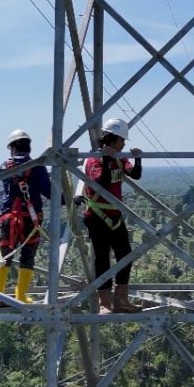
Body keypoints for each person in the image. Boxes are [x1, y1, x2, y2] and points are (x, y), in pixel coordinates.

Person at [80, 118, 144, 314]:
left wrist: (137, 159)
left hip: (115, 216)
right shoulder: (94, 161)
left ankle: (121, 300)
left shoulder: (119, 158)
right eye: (121, 140)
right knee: (102, 259)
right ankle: (105, 303)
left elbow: (135, 174)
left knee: (125, 256)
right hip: (97, 216)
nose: (123, 144)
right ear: (113, 139)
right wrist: (107, 159)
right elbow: (102, 183)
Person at [0, 129, 52, 305]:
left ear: (12, 147)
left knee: (5, 256)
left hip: (9, 217)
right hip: (30, 219)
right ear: (29, 147)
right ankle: (20, 296)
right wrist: (68, 200)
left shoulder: (4, 166)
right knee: (27, 257)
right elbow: (48, 191)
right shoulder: (38, 167)